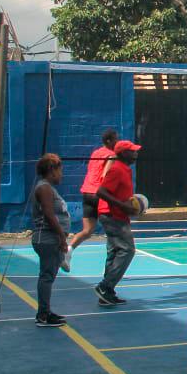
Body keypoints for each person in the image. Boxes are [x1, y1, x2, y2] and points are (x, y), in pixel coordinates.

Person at [94, 140, 140, 306]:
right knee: (128, 250)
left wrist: (132, 206)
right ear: (123, 154)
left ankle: (107, 294)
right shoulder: (116, 169)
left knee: (113, 252)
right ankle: (105, 286)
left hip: (117, 214)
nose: (136, 154)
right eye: (133, 151)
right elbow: (101, 191)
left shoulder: (125, 170)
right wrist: (123, 206)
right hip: (112, 215)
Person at [65, 128, 118, 271]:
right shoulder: (112, 155)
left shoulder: (95, 153)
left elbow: (91, 169)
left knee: (87, 231)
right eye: (115, 139)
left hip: (86, 191)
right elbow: (105, 175)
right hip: (98, 194)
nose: (117, 142)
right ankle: (112, 266)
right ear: (109, 141)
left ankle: (68, 251)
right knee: (112, 229)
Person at [31, 154, 70, 327]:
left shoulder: (48, 188)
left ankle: (45, 311)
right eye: (60, 170)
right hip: (47, 239)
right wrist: (62, 236)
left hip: (50, 239)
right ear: (52, 170)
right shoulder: (44, 188)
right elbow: (49, 214)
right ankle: (43, 315)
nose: (62, 174)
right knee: (46, 276)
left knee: (48, 275)